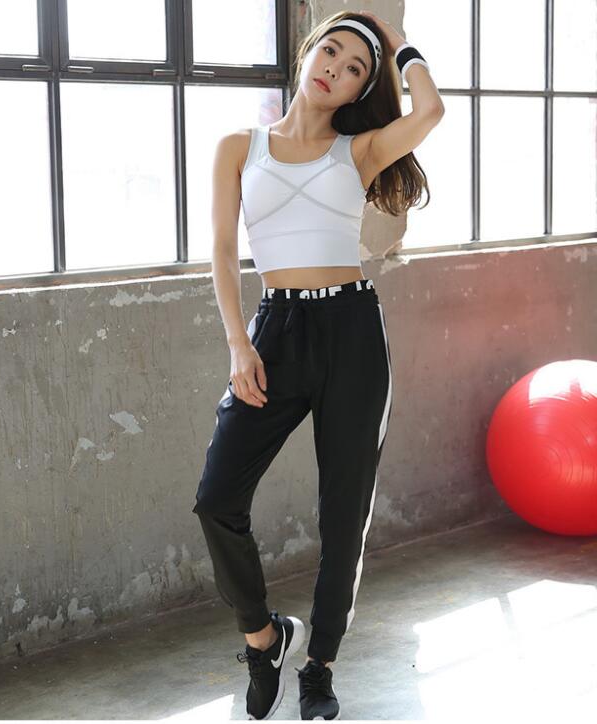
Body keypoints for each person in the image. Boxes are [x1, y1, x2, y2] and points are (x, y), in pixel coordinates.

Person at [192, 9, 444, 720]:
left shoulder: (357, 151)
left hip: (353, 332)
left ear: (360, 89)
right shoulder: (238, 146)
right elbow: (222, 252)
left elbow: (430, 111)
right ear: (307, 54)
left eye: (355, 68)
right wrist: (238, 343)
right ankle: (264, 637)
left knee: (344, 515)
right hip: (275, 332)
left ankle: (320, 666)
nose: (336, 67)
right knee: (217, 499)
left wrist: (399, 47)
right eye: (330, 51)